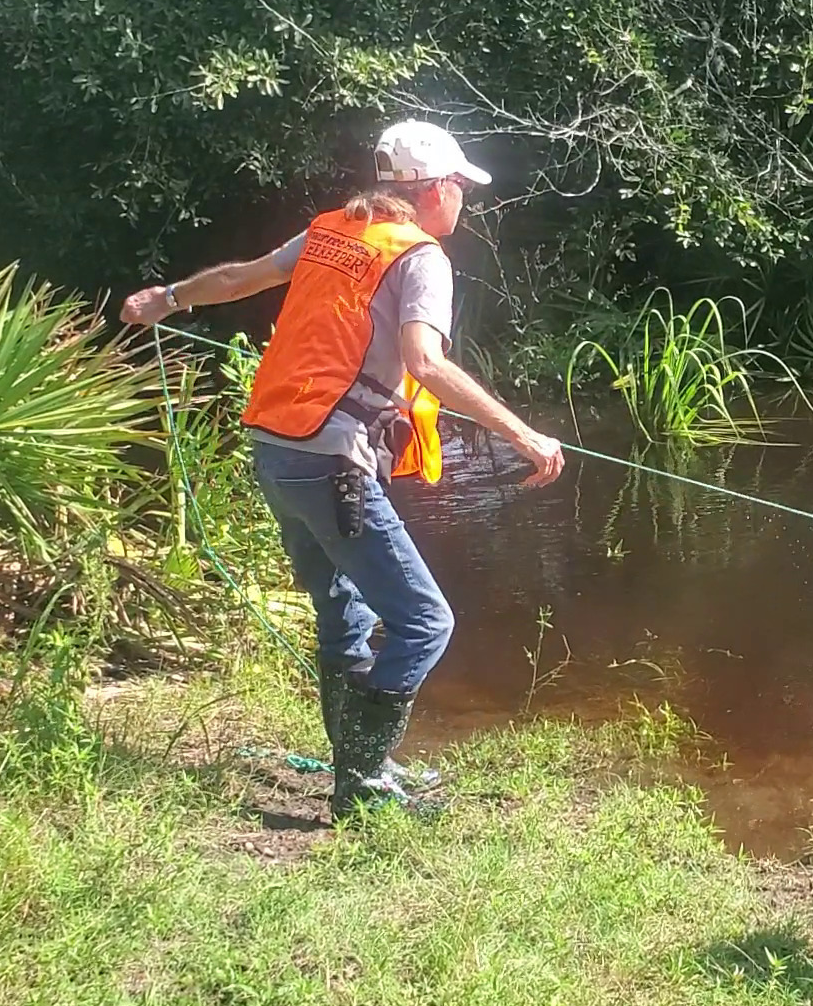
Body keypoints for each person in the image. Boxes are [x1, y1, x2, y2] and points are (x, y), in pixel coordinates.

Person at [121, 121, 566, 819]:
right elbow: (426, 363)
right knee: (424, 623)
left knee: (343, 613)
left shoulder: (331, 231)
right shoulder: (420, 257)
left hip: (275, 450)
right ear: (437, 190)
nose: (462, 203)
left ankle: (364, 769)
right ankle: (361, 786)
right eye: (459, 189)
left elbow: (241, 277)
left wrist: (168, 297)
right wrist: (522, 434)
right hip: (329, 460)